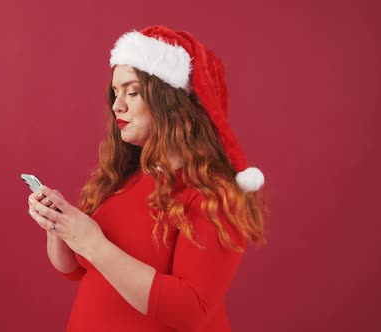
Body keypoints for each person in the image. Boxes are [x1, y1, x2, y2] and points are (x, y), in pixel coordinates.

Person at [27, 25, 266, 331]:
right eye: (116, 92)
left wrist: (91, 242)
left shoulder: (213, 193)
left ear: (171, 102)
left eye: (133, 91)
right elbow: (74, 270)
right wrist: (58, 226)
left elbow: (190, 310)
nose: (117, 105)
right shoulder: (123, 179)